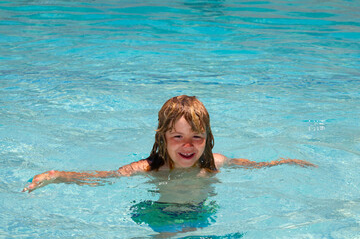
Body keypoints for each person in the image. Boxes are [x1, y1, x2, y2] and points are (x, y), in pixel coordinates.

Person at [22, 95, 316, 193]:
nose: (188, 145)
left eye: (196, 137)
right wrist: (58, 176)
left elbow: (252, 166)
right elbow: (106, 178)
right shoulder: (150, 169)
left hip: (202, 215)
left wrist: (282, 163)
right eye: (178, 137)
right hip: (160, 216)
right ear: (162, 137)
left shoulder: (214, 163)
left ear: (207, 139)